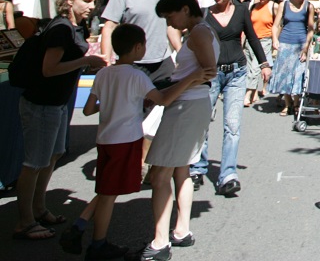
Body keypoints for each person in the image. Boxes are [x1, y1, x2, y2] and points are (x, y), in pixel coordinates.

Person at [62, 24, 213, 260]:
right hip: (126, 140)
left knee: (106, 188)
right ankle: (95, 241)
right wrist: (191, 79)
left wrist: (114, 103)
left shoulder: (103, 74)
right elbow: (163, 100)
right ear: (138, 47)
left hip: (104, 140)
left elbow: (89, 109)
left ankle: (82, 226)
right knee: (109, 193)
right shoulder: (137, 76)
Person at [12, 0, 107, 241]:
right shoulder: (61, 29)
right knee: (34, 163)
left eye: (95, 2)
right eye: (86, 1)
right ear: (69, 0)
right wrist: (86, 61)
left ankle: (39, 209)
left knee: (52, 156)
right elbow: (49, 69)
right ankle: (25, 222)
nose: (92, 6)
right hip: (41, 103)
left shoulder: (74, 27)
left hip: (55, 103)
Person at [142, 0, 218, 260]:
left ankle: (161, 241)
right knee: (181, 170)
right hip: (191, 104)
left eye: (170, 16)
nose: (169, 23)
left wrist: (175, 87)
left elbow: (208, 71)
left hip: (186, 105)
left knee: (160, 174)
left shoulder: (198, 33)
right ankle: (181, 230)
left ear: (185, 9)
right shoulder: (201, 31)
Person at [189, 0, 271, 196]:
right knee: (202, 122)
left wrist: (264, 64)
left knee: (232, 125)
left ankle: (228, 175)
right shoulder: (204, 14)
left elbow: (252, 37)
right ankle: (197, 167)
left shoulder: (241, 11)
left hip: (236, 73)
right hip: (210, 74)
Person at [269, 0, 314, 117]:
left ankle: (296, 103)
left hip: (300, 43)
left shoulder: (308, 6)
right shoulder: (284, 5)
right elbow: (275, 25)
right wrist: (275, 39)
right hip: (285, 42)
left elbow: (311, 29)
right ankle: (287, 104)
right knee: (285, 74)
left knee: (298, 74)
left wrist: (306, 47)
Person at [244, 0, 277, 108]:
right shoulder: (253, 6)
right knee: (248, 68)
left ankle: (247, 94)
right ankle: (254, 94)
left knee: (255, 68)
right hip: (251, 40)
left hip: (265, 40)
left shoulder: (273, 6)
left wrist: (275, 40)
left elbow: (277, 25)